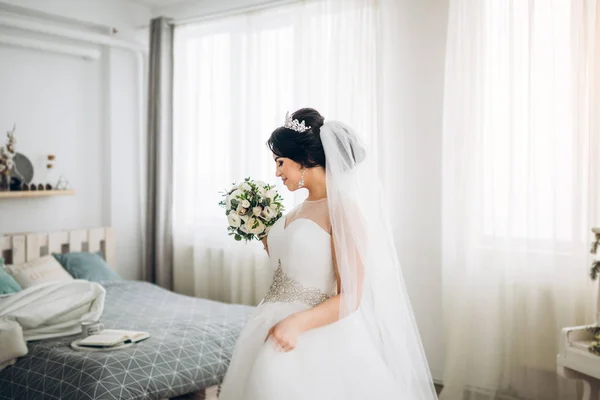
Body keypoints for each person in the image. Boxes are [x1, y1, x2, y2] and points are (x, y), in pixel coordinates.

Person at [218, 108, 437, 399]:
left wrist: (296, 323)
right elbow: (289, 266)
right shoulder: (295, 211)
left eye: (280, 162)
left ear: (305, 161)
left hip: (316, 333)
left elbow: (351, 296)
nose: (276, 172)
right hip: (268, 321)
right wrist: (257, 227)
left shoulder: (343, 211)